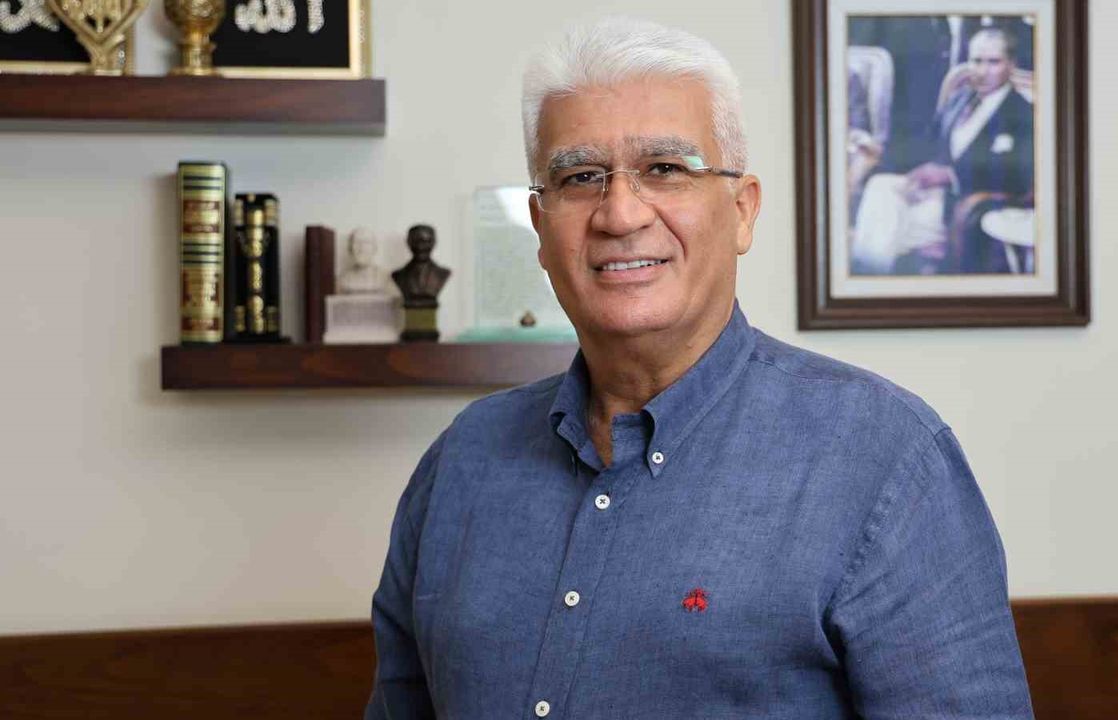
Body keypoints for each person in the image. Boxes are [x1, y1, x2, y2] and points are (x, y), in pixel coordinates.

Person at [367, 17, 1033, 719]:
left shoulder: (888, 460)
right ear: (540, 227)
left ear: (742, 211)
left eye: (665, 169)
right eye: (580, 177)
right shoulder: (460, 463)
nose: (619, 214)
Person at [852, 27, 1034, 275]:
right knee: (880, 186)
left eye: (993, 62)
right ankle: (872, 275)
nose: (982, 71)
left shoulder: (1022, 113)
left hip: (967, 206)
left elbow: (1017, 174)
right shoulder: (959, 99)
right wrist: (900, 167)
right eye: (976, 61)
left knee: (882, 227)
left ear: (1011, 65)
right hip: (932, 195)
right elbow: (929, 144)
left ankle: (867, 280)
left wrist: (950, 176)